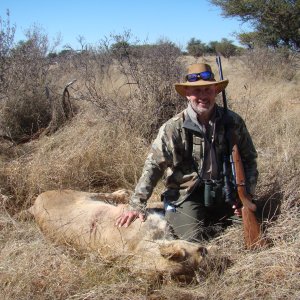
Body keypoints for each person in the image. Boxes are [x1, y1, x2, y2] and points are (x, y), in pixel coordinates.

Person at [115, 63, 258, 242]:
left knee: (247, 223)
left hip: (225, 191)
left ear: (215, 91)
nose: (203, 96)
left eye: (207, 90)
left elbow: (249, 159)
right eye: (196, 91)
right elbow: (154, 166)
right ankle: (173, 211)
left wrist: (246, 195)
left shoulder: (233, 121)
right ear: (187, 94)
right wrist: (136, 204)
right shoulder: (172, 127)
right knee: (192, 241)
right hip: (186, 194)